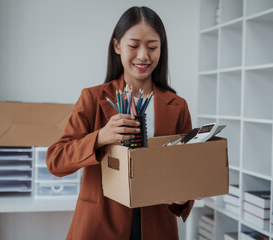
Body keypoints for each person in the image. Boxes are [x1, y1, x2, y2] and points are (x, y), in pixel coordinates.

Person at [46, 6, 194, 240]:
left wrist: (183, 197)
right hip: (99, 226)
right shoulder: (92, 98)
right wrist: (100, 137)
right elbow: (55, 160)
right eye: (133, 46)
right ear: (117, 46)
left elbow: (187, 172)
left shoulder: (177, 106)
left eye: (152, 47)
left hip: (156, 227)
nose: (143, 55)